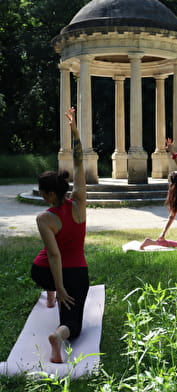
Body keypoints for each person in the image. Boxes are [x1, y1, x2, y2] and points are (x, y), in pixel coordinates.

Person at [31, 107, 89, 363]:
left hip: (43, 272)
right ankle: (60, 334)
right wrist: (75, 130)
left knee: (58, 288)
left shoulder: (44, 219)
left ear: (51, 194)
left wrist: (58, 287)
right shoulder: (79, 202)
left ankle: (53, 297)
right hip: (76, 271)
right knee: (73, 323)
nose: (41, 195)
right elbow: (79, 162)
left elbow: (53, 256)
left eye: (43, 191)